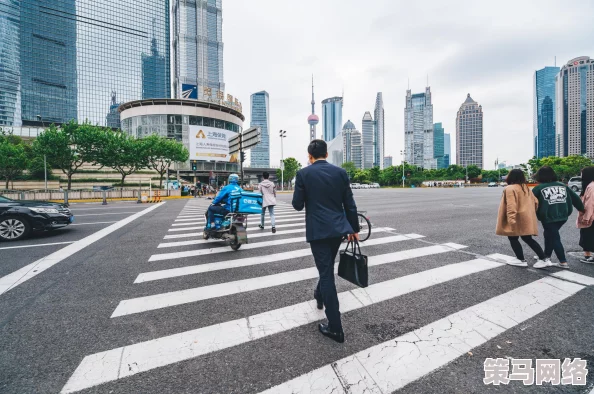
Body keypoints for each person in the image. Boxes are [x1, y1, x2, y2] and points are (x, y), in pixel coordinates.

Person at [292, 139, 359, 343]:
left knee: (326, 273)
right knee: (326, 267)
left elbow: (297, 205)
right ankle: (319, 295)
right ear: (327, 154)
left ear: (310, 156)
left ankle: (336, 328)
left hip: (318, 231)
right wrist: (354, 228)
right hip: (338, 229)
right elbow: (350, 203)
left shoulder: (303, 173)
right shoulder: (340, 173)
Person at [532, 166, 584, 269]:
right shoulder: (563, 186)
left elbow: (529, 202)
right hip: (563, 216)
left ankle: (563, 262)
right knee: (549, 234)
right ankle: (546, 256)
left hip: (548, 217)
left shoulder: (538, 188)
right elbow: (576, 199)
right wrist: (582, 210)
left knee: (554, 237)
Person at [496, 169, 548, 268]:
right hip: (525, 217)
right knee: (528, 238)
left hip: (516, 217)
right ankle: (543, 258)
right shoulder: (525, 187)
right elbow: (536, 202)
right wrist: (530, 212)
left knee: (512, 237)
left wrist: (511, 220)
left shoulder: (510, 188)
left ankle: (521, 259)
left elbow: (511, 205)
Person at [577, 166, 594, 264]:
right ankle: (587, 255)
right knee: (586, 236)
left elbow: (590, 204)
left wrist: (586, 218)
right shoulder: (589, 185)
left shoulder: (591, 186)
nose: (581, 175)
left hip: (591, 216)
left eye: (582, 173)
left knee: (588, 236)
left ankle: (589, 257)